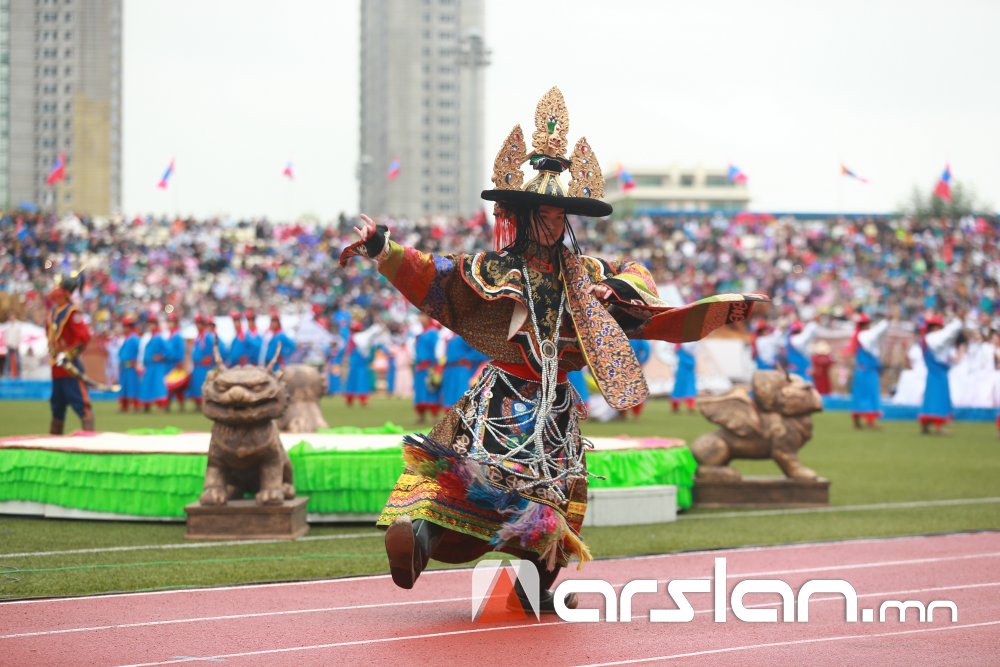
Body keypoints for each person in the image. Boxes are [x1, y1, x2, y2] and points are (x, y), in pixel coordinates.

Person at [340, 88, 765, 612]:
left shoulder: (587, 273)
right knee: (478, 482)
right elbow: (435, 274)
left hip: (551, 403)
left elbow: (640, 281)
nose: (556, 222)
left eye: (561, 214)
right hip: (506, 398)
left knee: (546, 496)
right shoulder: (494, 268)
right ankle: (422, 542)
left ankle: (516, 577)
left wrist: (618, 289)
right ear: (522, 217)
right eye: (545, 213)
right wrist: (384, 248)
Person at [45, 272, 94, 434]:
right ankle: (54, 442)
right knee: (56, 406)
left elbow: (83, 338)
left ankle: (90, 439)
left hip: (69, 366)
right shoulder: (53, 313)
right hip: (56, 367)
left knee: (80, 403)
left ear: (65, 291)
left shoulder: (72, 312)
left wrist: (68, 354)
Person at [918, 314, 963, 435]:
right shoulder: (934, 337)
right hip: (938, 373)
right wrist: (958, 320)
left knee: (930, 399)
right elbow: (949, 333)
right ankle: (938, 426)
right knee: (939, 399)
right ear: (934, 328)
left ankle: (926, 425)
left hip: (934, 373)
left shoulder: (928, 338)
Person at [849, 314, 890, 430]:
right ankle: (870, 422)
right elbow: (876, 333)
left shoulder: (860, 336)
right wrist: (886, 321)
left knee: (861, 395)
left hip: (864, 371)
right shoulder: (864, 335)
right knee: (870, 395)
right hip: (867, 372)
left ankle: (858, 421)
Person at [440, 333, 487, 409]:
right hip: (449, 370)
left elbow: (479, 350)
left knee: (460, 394)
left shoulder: (463, 337)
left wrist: (468, 358)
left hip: (460, 370)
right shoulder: (450, 337)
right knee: (448, 395)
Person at [412, 314, 442, 422]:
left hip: (430, 367)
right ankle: (421, 415)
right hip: (420, 367)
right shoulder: (421, 333)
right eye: (420, 316)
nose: (421, 319)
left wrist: (436, 366)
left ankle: (434, 416)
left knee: (431, 390)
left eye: (423, 316)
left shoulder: (433, 333)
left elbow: (437, 350)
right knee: (420, 391)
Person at [138, 317, 169, 411]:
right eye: (149, 323)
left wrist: (161, 356)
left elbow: (169, 351)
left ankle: (161, 406)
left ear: (156, 325)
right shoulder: (150, 337)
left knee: (158, 386)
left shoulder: (159, 338)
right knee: (147, 385)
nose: (150, 325)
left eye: (152, 323)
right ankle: (146, 405)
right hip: (149, 366)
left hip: (157, 366)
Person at [188, 314, 217, 409]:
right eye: (196, 323)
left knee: (204, 386)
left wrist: (211, 358)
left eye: (199, 323)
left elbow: (215, 348)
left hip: (205, 366)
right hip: (197, 366)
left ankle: (206, 405)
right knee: (196, 386)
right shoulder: (198, 337)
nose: (197, 326)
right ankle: (198, 405)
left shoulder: (207, 336)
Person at [164, 312, 188, 412]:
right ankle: (167, 406)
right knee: (170, 386)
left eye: (172, 322)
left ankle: (179, 406)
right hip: (169, 364)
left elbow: (181, 351)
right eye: (169, 322)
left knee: (176, 386)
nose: (169, 324)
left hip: (175, 364)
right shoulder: (170, 336)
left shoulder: (177, 336)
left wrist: (180, 363)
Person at [117, 314, 141, 412]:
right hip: (124, 367)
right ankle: (124, 406)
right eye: (124, 326)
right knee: (124, 386)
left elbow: (140, 351)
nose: (125, 328)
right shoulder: (126, 338)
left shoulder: (134, 338)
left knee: (132, 387)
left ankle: (135, 406)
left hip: (131, 367)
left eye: (127, 326)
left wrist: (136, 363)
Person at [627, 338, 651, 417]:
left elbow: (647, 349)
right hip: (626, 365)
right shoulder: (637, 336)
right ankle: (631, 413)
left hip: (632, 365)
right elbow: (647, 349)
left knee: (635, 389)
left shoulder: (637, 337)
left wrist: (642, 361)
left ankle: (634, 413)